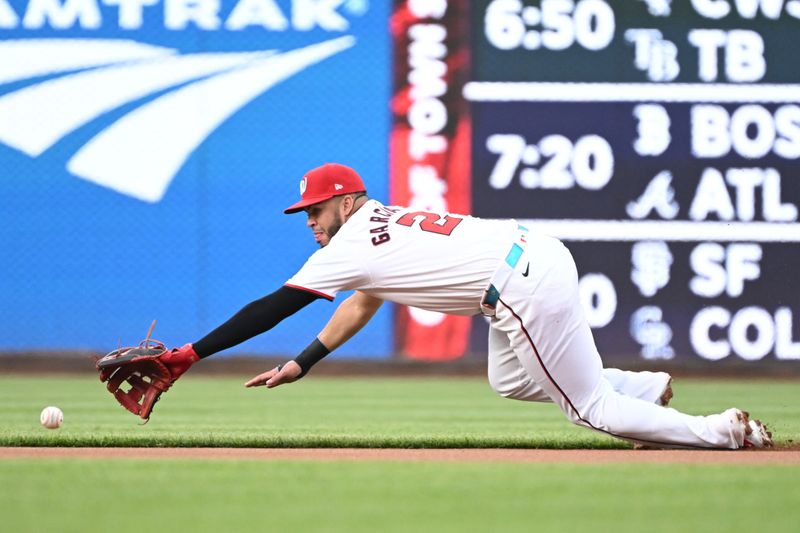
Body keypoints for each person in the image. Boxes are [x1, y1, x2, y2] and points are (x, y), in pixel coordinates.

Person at [165, 163, 773, 449]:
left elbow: (274, 305)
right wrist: (305, 361)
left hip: (518, 287)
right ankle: (644, 389)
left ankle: (720, 432)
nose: (311, 223)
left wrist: (190, 353)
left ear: (348, 203)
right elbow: (365, 301)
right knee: (508, 378)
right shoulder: (385, 221)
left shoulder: (350, 238)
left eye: (317, 211)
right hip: (534, 258)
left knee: (589, 412)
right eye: (306, 215)